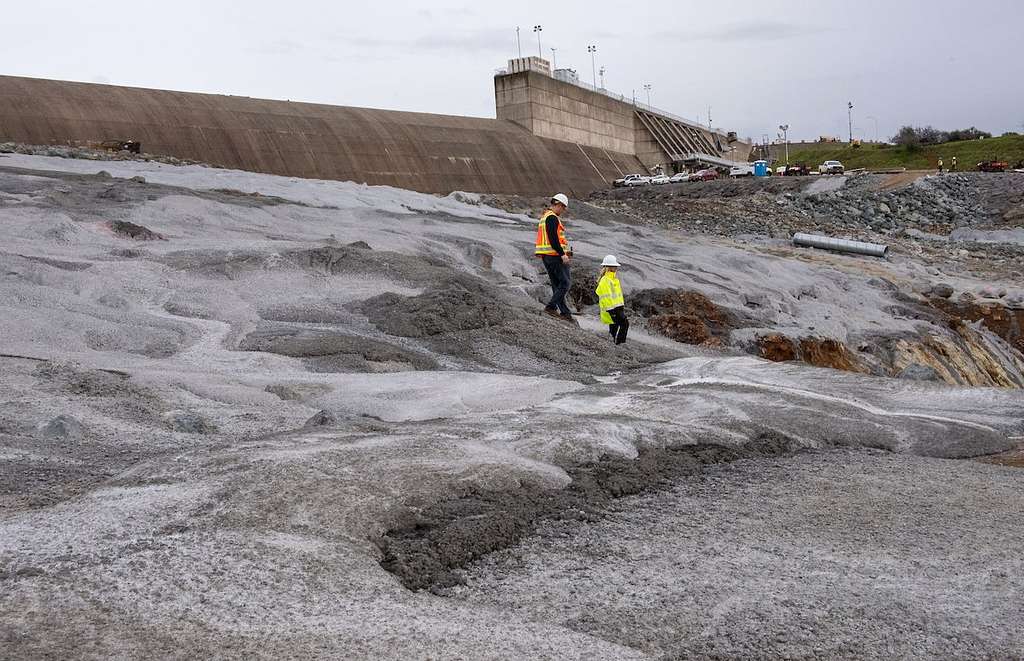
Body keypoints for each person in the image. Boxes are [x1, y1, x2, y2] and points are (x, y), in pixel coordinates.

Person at [535, 193, 574, 323]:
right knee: (565, 283)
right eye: (563, 208)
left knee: (557, 285)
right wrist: (562, 254)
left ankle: (565, 312)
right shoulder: (552, 218)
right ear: (558, 204)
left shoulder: (545, 216)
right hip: (554, 256)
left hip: (547, 256)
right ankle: (551, 307)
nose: (563, 211)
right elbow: (553, 238)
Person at [596, 255, 628, 345]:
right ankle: (620, 343)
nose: (616, 268)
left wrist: (621, 306)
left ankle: (613, 343)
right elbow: (606, 297)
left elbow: (617, 295)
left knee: (615, 326)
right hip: (612, 309)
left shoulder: (614, 279)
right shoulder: (605, 280)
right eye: (614, 266)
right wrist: (612, 311)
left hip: (618, 307)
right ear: (609, 267)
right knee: (624, 324)